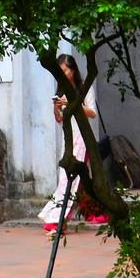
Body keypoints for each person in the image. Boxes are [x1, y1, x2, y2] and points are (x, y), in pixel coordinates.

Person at [41, 53, 100, 233]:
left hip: (82, 137)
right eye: (61, 71)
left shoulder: (84, 89)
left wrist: (75, 103)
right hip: (68, 138)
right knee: (71, 178)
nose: (63, 74)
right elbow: (59, 120)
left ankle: (58, 220)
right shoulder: (61, 91)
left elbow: (92, 113)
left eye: (66, 70)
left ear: (73, 71)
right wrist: (57, 108)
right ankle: (93, 212)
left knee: (71, 179)